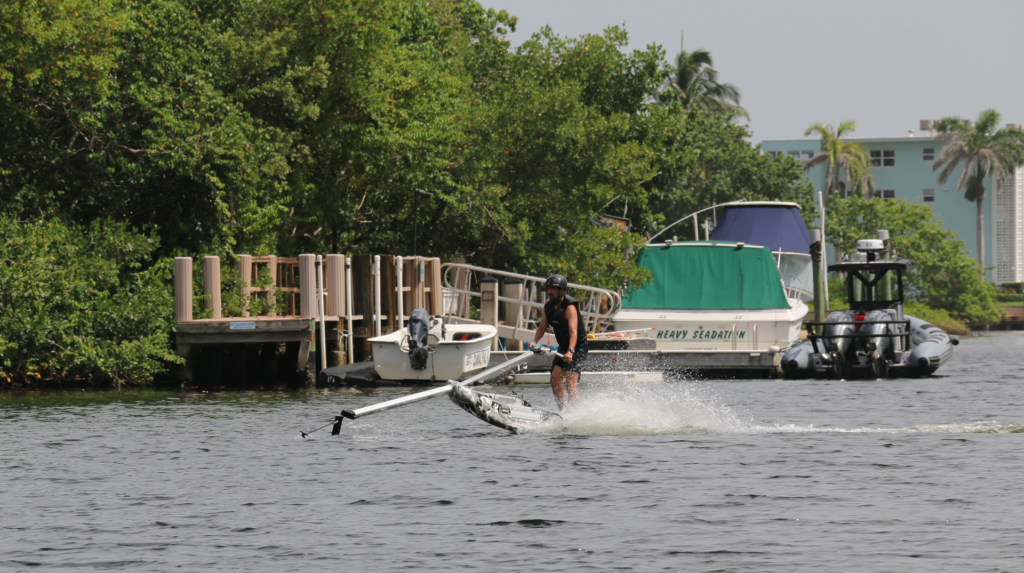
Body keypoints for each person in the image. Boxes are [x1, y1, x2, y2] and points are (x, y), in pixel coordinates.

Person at [527, 274, 588, 410]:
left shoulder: (569, 307)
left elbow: (574, 332)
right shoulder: (548, 305)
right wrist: (534, 341)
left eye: (553, 289)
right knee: (554, 381)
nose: (550, 291)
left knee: (570, 383)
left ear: (562, 291)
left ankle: (575, 414)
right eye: (548, 288)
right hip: (563, 346)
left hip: (577, 347)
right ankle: (564, 413)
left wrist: (570, 351)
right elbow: (542, 327)